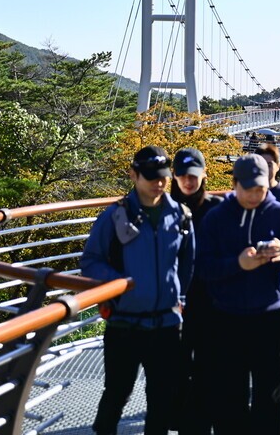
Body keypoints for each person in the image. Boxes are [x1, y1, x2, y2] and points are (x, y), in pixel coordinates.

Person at [80, 145, 195, 435]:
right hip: (124, 322)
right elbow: (91, 261)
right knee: (117, 393)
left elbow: (188, 261)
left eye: (163, 177)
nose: (158, 183)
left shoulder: (180, 215)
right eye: (150, 176)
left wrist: (180, 298)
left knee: (161, 398)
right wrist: (122, 283)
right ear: (133, 175)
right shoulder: (114, 216)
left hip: (166, 325)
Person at [196, 154, 280, 435]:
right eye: (249, 188)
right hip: (226, 317)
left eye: (260, 188)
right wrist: (237, 264)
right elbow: (202, 267)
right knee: (229, 393)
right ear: (234, 185)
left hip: (270, 316)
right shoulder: (216, 217)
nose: (256, 194)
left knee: (270, 391)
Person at [169, 148, 222, 435]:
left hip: (207, 300)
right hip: (172, 300)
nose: (188, 181)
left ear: (204, 175)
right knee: (175, 364)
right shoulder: (163, 209)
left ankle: (198, 422)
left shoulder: (216, 209)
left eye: (193, 175)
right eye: (181, 175)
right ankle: (178, 418)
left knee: (205, 364)